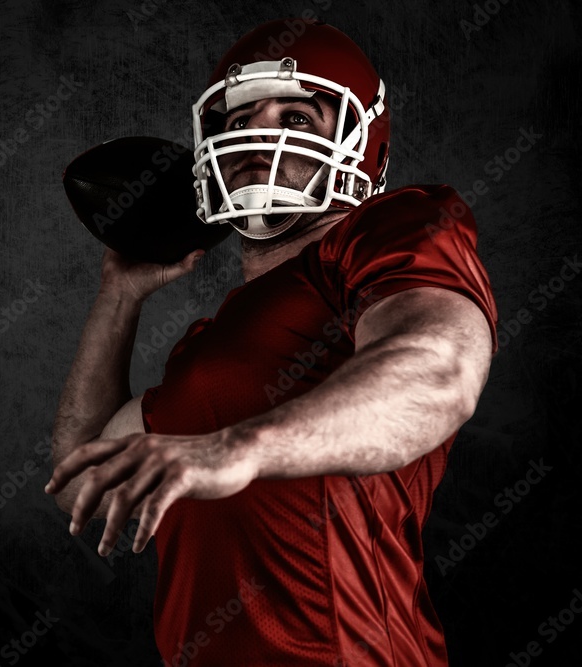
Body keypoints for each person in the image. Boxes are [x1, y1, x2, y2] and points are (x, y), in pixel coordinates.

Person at [45, 18, 498, 666]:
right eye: (241, 120)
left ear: (358, 141)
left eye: (298, 117)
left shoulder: (386, 234)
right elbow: (82, 478)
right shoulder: (205, 351)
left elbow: (440, 369)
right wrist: (119, 295)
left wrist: (243, 446)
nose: (261, 133)